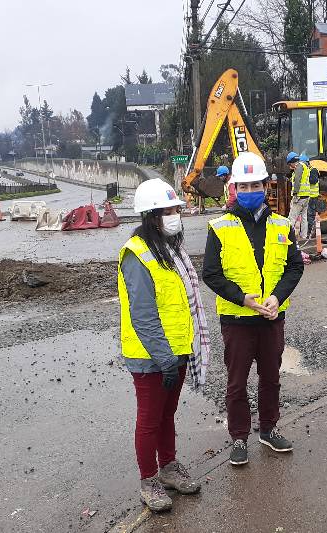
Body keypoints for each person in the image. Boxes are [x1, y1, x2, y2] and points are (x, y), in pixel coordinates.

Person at [202, 151, 305, 466]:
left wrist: (276, 297)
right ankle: (239, 437)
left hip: (272, 319)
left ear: (266, 185)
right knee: (236, 382)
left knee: (271, 377)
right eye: (243, 187)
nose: (249, 192)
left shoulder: (282, 226)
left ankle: (269, 429)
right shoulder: (219, 227)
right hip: (237, 320)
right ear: (234, 188)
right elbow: (211, 274)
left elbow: (294, 268)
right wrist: (243, 299)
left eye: (254, 186)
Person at [117, 178, 211, 512]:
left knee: (167, 414)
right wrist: (165, 358)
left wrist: (179, 354)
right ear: (152, 216)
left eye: (177, 210)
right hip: (151, 358)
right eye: (169, 210)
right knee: (149, 420)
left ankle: (169, 468)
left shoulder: (172, 251)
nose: (176, 216)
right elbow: (143, 316)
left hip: (176, 352)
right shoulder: (138, 256)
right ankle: (149, 481)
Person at [285, 152, 317, 241]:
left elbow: (298, 180)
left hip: (299, 196)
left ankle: (288, 237)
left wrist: (295, 194)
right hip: (306, 196)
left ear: (292, 161)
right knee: (304, 218)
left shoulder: (299, 167)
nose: (290, 166)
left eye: (290, 164)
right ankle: (304, 236)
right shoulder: (305, 167)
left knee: (292, 217)